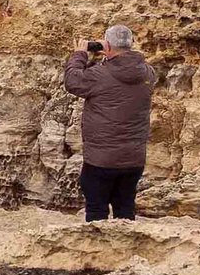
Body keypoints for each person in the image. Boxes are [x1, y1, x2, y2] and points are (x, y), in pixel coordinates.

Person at [64, 25, 156, 221]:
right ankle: (126, 248)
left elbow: (73, 81)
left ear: (106, 45)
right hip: (134, 159)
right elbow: (127, 70)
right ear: (132, 44)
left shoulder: (99, 75)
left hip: (100, 160)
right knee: (125, 208)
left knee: (97, 210)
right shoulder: (148, 73)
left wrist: (80, 55)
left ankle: (99, 250)